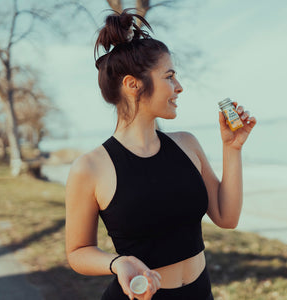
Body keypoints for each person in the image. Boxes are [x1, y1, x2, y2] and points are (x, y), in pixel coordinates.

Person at [65, 9, 256, 300]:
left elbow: (226, 217)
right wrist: (118, 263)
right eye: (169, 76)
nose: (179, 87)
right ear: (133, 85)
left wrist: (232, 149)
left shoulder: (187, 145)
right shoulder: (90, 167)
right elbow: (78, 251)